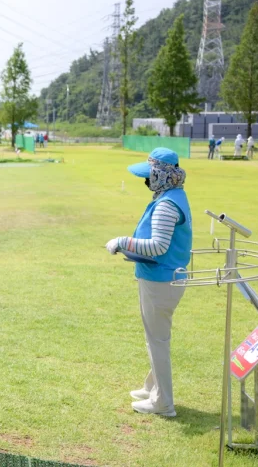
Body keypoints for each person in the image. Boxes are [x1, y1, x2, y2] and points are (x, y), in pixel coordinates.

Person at [106, 148, 192, 417]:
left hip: (161, 280)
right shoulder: (173, 195)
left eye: (149, 176)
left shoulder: (166, 204)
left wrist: (122, 242)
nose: (145, 181)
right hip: (165, 278)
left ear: (160, 175)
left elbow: (157, 246)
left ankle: (163, 403)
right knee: (156, 338)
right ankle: (152, 388)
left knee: (157, 341)